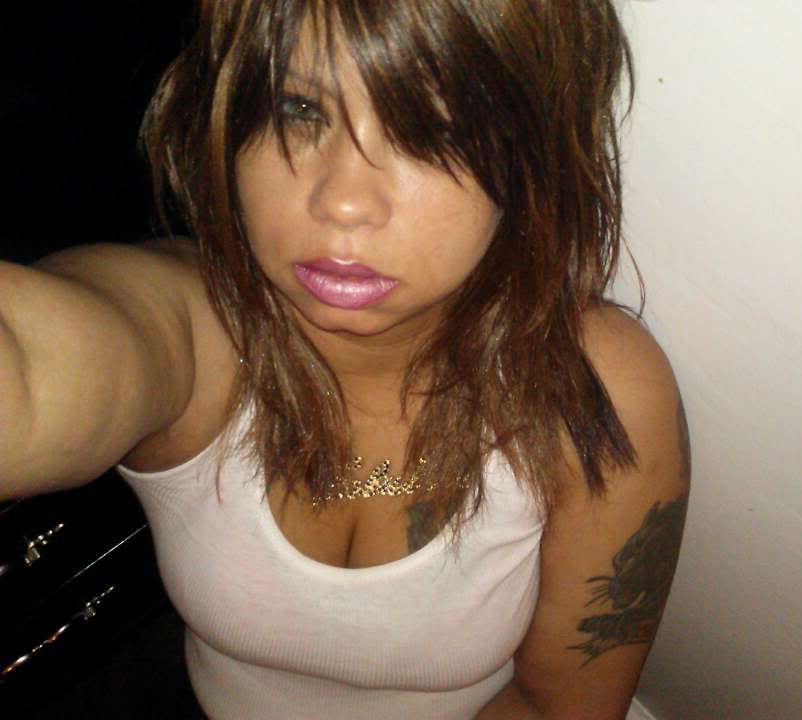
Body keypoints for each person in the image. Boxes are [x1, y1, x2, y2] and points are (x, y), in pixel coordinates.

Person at [0, 0, 691, 718]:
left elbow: (560, 707)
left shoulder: (597, 391)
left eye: (435, 128)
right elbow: (29, 372)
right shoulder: (195, 328)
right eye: (298, 109)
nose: (344, 202)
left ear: (534, 156)